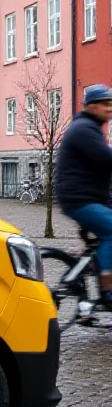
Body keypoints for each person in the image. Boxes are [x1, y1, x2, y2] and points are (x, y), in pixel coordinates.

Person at [55, 84, 112, 306]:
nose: (109, 109)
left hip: (88, 195)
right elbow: (106, 159)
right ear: (92, 106)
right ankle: (107, 288)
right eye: (105, 104)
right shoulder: (84, 130)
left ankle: (96, 265)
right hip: (79, 199)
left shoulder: (90, 128)